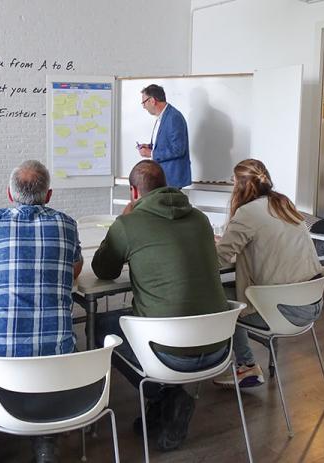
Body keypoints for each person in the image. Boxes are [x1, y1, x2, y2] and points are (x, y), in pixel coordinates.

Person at [91, 160, 228, 452]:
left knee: (100, 326)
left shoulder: (130, 224)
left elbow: (104, 270)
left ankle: (163, 395)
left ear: (134, 192)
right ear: (166, 185)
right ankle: (166, 402)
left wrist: (124, 219)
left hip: (172, 355)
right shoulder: (201, 219)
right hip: (219, 346)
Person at [0, 160, 83, 462]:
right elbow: (75, 270)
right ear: (49, 195)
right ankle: (46, 439)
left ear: (9, 194)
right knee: (46, 349)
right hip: (56, 355)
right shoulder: (67, 224)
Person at [213, 159, 323, 388]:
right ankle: (256, 358)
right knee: (236, 292)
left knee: (219, 299)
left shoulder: (248, 212)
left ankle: (247, 366)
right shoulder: (284, 204)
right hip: (311, 306)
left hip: (282, 312)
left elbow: (218, 260)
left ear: (240, 186)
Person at [137, 84, 191, 188]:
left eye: (144, 102)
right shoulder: (163, 117)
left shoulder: (173, 117)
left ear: (152, 100)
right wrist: (150, 147)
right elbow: (167, 144)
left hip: (171, 179)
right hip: (164, 178)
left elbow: (178, 150)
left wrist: (151, 153)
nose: (143, 106)